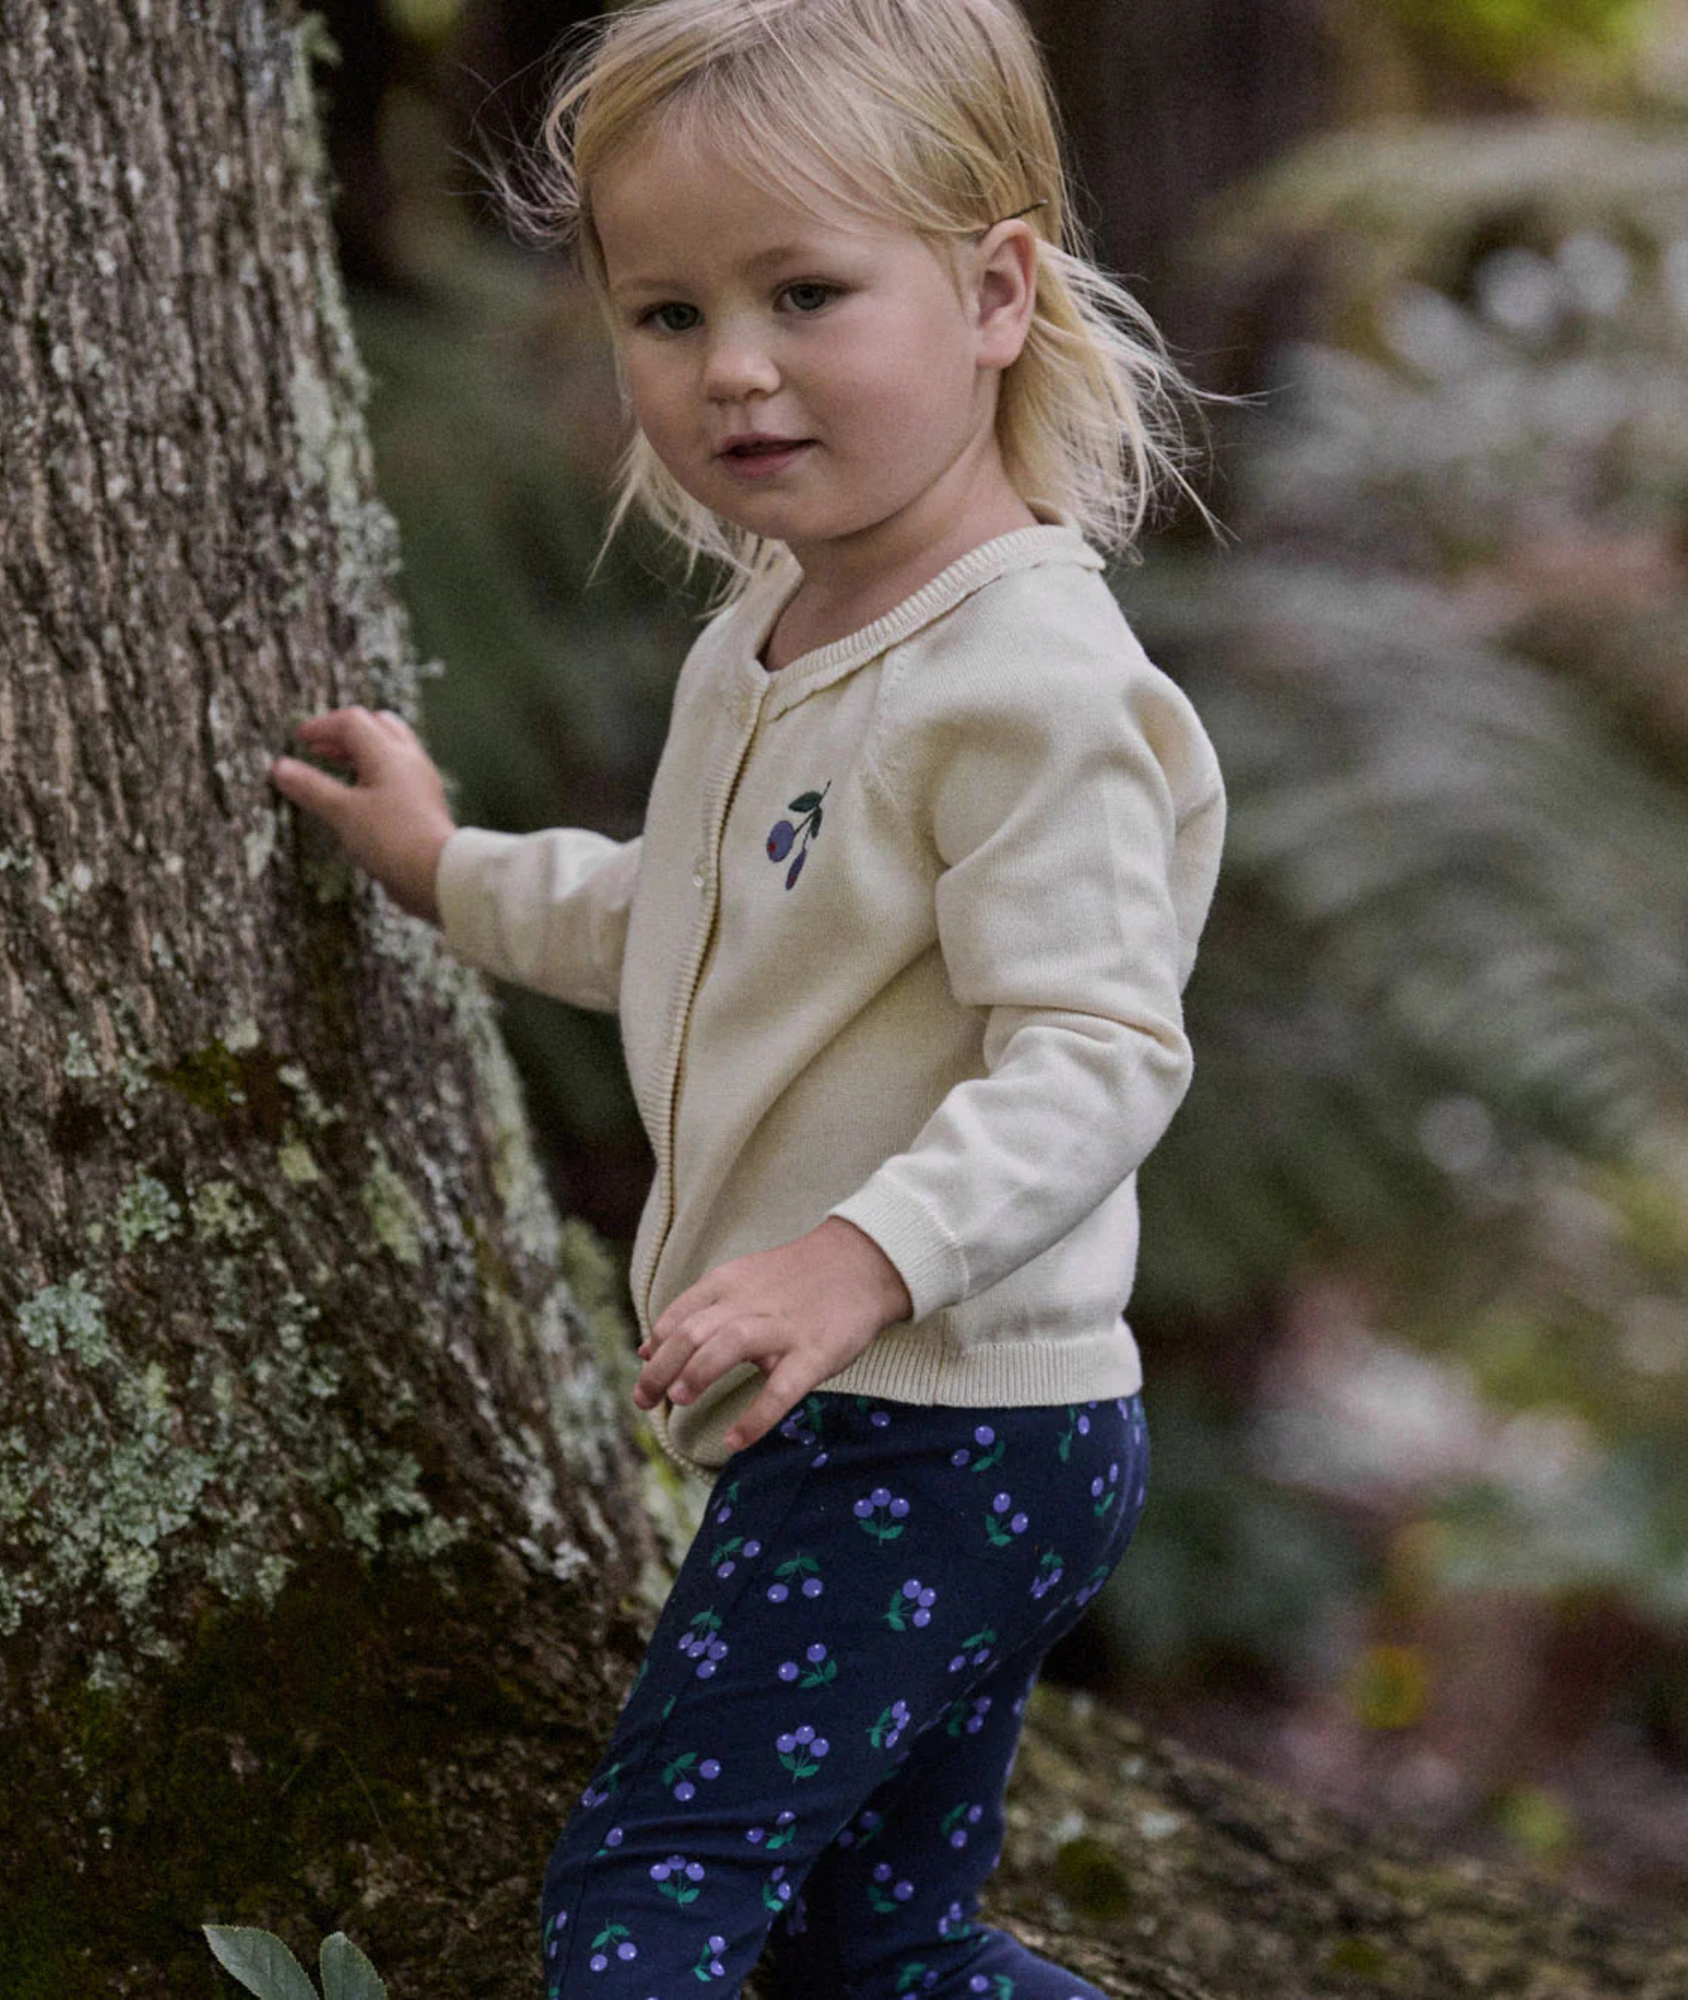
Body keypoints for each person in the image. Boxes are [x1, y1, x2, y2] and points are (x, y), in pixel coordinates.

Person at [266, 1, 1231, 1993]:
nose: (737, 370)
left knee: (648, 1902)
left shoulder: (1024, 683)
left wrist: (854, 1258)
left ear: (990, 292)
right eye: (670, 314)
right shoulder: (778, 630)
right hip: (882, 1419)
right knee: (874, 1946)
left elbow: (1101, 1047)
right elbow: (695, 925)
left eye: (804, 292)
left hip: (941, 1424)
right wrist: (449, 867)